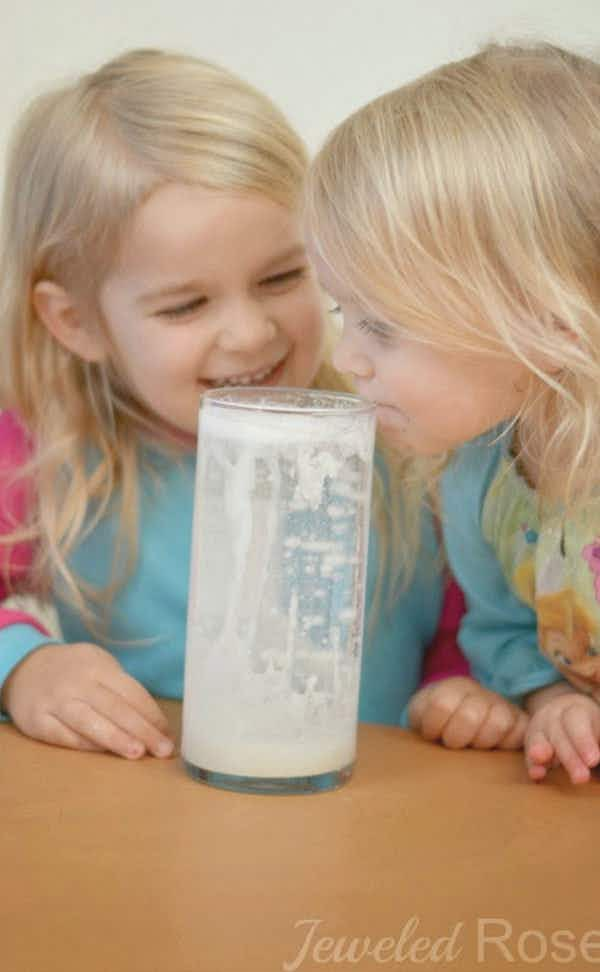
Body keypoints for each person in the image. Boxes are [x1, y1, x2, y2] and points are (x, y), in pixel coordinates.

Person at [0, 48, 474, 759]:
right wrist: (24, 667)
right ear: (77, 323)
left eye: (283, 275)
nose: (253, 333)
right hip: (156, 830)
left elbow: (471, 618)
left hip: (378, 825)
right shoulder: (46, 452)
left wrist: (466, 688)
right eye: (186, 304)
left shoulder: (405, 434)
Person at [305, 42, 600, 782]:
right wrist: (551, 698)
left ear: (550, 324)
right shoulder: (480, 477)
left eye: (385, 325)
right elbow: (505, 630)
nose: (347, 358)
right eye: (346, 312)